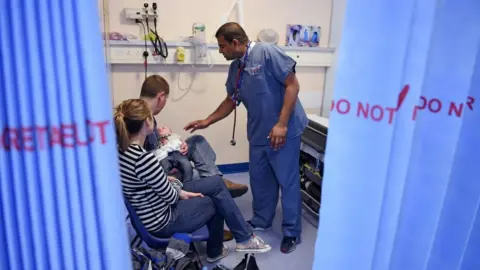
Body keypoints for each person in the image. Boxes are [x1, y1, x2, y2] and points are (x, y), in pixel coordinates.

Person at [184, 22, 308, 254]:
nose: (220, 51)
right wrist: (207, 120)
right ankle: (261, 220)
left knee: (287, 181)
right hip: (259, 132)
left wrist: (281, 124)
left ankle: (292, 231)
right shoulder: (236, 68)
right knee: (260, 180)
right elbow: (232, 99)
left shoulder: (266, 52)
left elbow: (293, 86)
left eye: (222, 46)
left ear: (235, 43)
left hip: (284, 130)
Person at [115, 99, 272, 263]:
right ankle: (217, 250)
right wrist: (173, 183)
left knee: (215, 184)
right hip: (163, 220)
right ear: (148, 122)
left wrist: (163, 179)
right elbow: (171, 197)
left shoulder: (122, 151)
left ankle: (244, 238)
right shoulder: (144, 159)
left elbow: (145, 182)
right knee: (215, 199)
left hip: (152, 208)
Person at [139, 75, 248, 198]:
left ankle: (216, 180)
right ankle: (217, 181)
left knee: (196, 141)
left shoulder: (148, 117)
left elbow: (153, 147)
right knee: (197, 173)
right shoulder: (141, 121)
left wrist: (176, 144)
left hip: (165, 157)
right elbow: (145, 162)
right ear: (161, 97)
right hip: (162, 172)